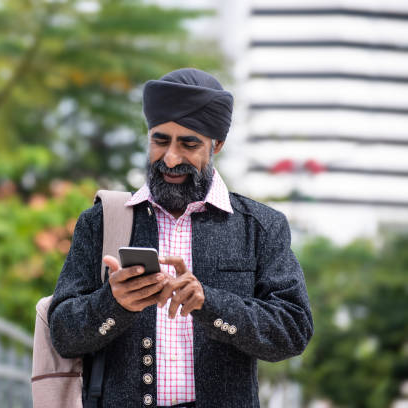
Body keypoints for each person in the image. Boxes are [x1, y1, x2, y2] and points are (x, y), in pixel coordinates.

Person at [48, 68, 313, 408]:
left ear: (217, 144)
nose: (171, 158)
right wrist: (114, 302)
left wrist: (209, 303)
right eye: (160, 141)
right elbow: (63, 334)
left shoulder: (261, 226)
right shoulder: (101, 221)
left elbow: (293, 330)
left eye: (188, 144)